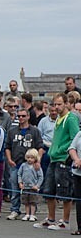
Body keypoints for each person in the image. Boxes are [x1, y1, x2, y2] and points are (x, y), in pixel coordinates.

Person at [35, 93, 80, 230]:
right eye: (55, 104)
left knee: (64, 190)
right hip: (53, 157)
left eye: (60, 104)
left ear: (66, 103)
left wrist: (62, 149)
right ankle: (50, 218)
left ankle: (65, 221)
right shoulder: (58, 118)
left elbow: (75, 138)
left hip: (63, 158)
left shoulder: (71, 119)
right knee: (49, 189)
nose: (57, 107)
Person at [4, 109, 43, 220]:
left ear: (28, 117)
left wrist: (38, 161)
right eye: (19, 116)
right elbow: (7, 147)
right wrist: (9, 159)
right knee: (15, 188)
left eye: (23, 116)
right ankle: (15, 209)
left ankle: (32, 212)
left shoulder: (35, 131)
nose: (21, 118)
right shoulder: (12, 131)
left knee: (32, 190)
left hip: (31, 165)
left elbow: (40, 147)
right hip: (16, 163)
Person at [17, 149, 43, 222]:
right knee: (26, 202)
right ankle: (27, 214)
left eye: (32, 158)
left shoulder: (36, 166)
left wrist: (37, 186)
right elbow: (19, 174)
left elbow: (41, 177)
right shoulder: (23, 165)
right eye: (28, 157)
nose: (29, 159)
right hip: (25, 187)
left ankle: (32, 214)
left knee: (33, 202)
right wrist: (20, 183)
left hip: (33, 188)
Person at [68, 130, 81, 235]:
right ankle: (80, 227)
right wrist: (77, 160)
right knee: (79, 201)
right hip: (78, 173)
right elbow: (72, 148)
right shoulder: (80, 133)